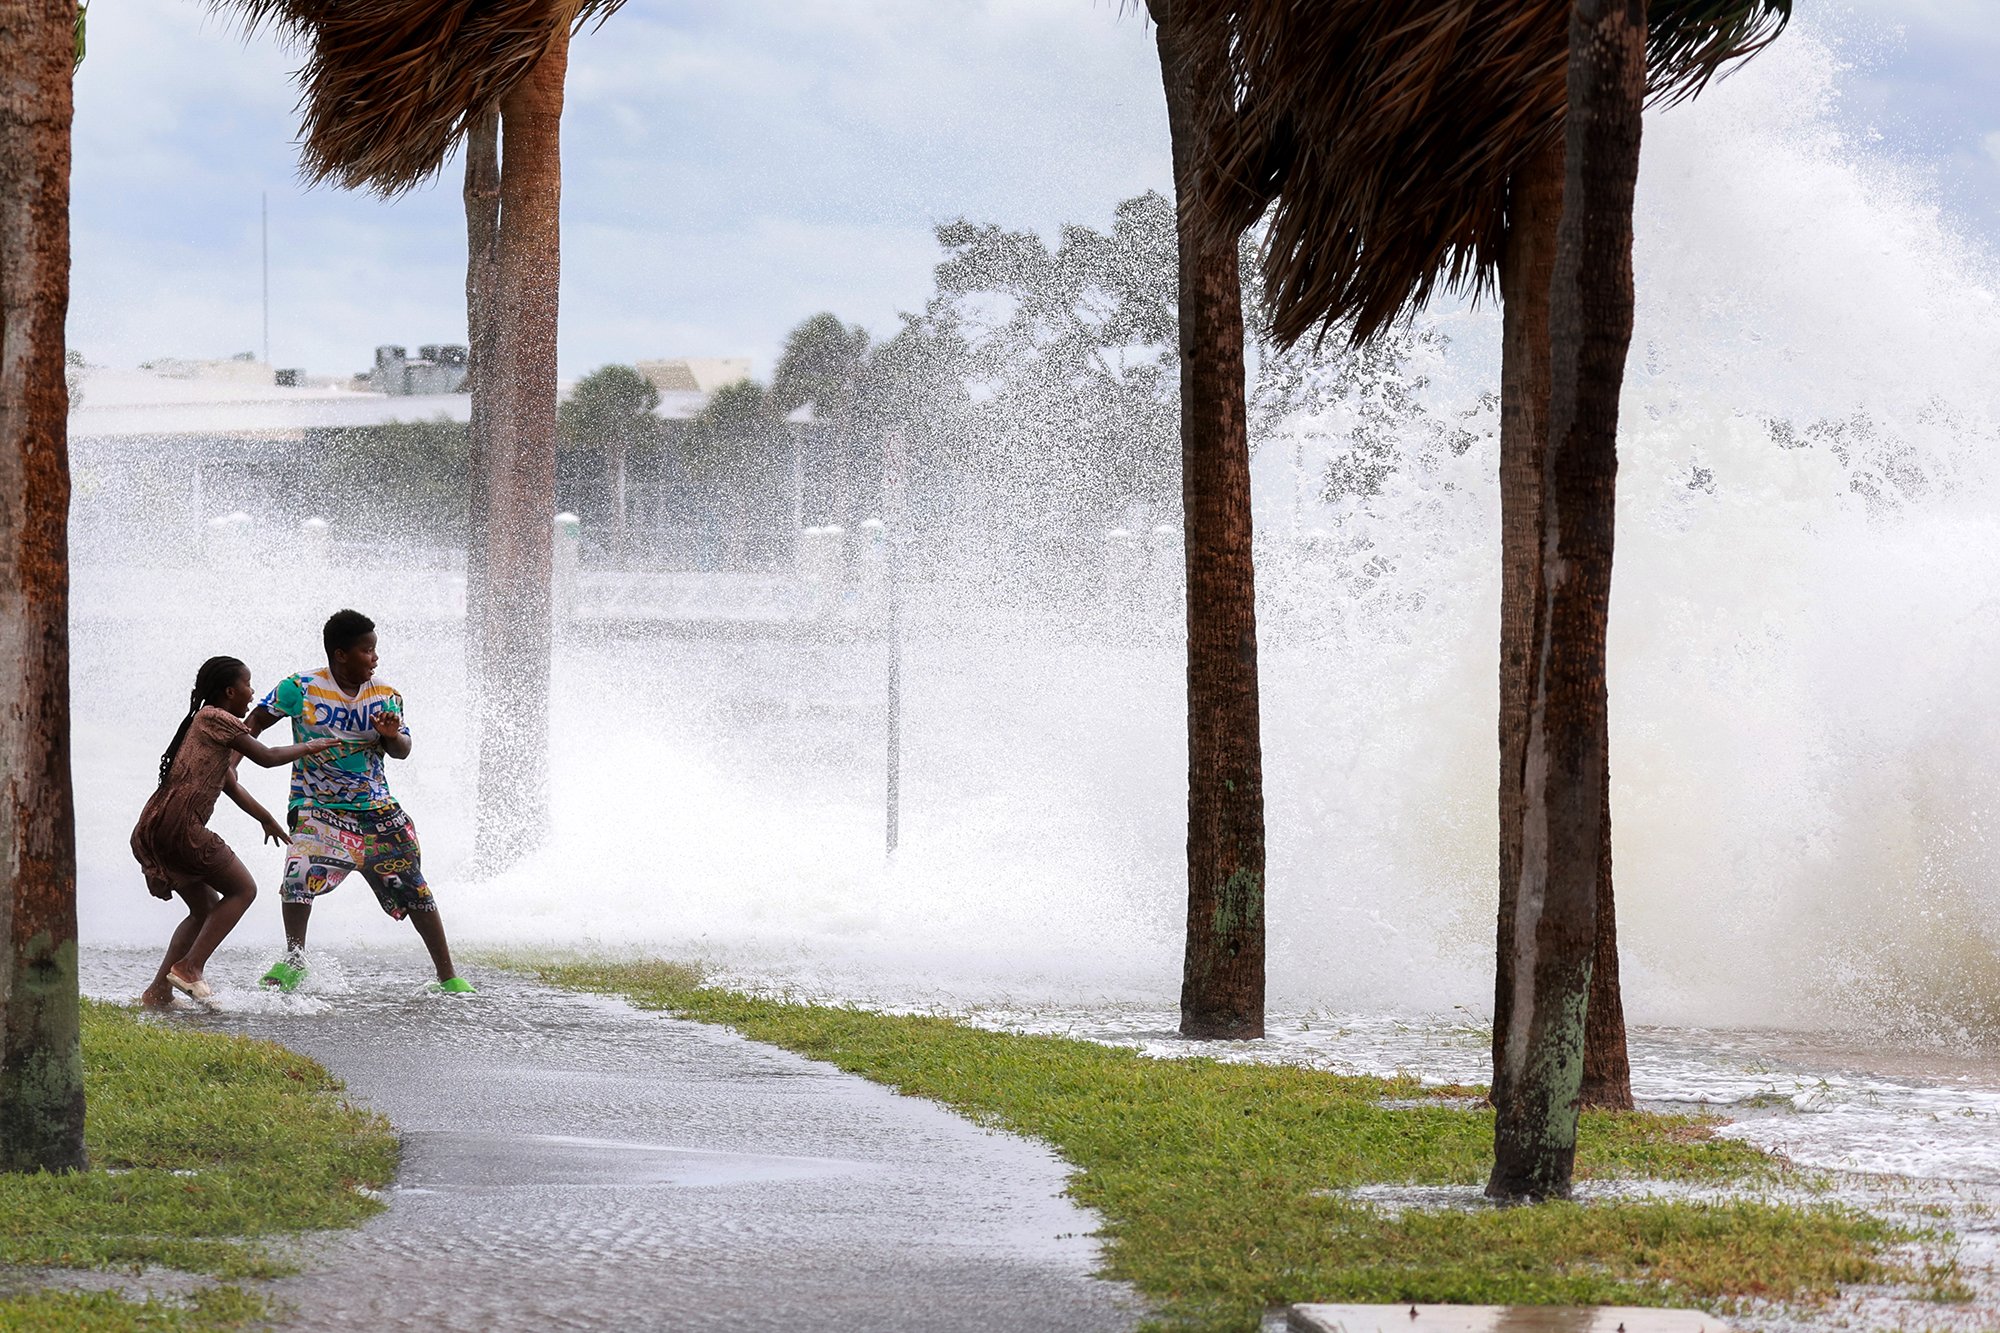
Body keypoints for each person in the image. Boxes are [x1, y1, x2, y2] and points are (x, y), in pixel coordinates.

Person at [249, 608, 473, 994]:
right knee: (297, 872)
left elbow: (402, 750)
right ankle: (294, 961)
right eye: (367, 650)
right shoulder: (298, 688)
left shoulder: (385, 695)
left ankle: (448, 976)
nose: (375, 657)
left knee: (416, 889)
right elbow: (250, 727)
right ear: (341, 654)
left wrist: (390, 735)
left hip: (376, 812)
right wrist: (227, 766)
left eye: (375, 650)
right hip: (317, 806)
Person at [133, 656, 339, 1006]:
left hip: (153, 826)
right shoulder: (217, 718)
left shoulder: (204, 726)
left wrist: (265, 818)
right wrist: (310, 746)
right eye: (247, 684)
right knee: (243, 890)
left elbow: (230, 785)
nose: (252, 691)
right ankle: (190, 967)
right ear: (230, 691)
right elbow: (268, 756)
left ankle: (158, 992)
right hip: (182, 827)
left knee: (204, 908)